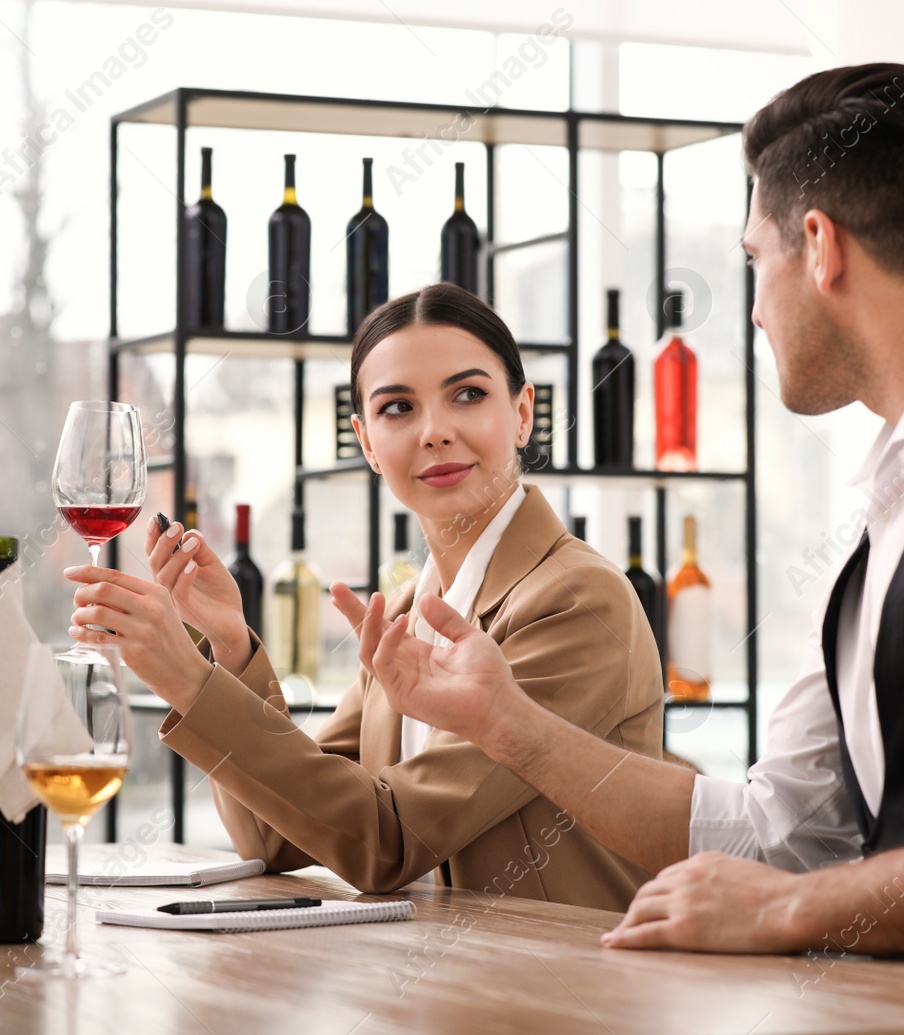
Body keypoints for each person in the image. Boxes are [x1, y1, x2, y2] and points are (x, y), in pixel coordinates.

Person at [341, 63, 904, 1023]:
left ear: (820, 247)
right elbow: (779, 827)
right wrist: (507, 724)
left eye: (755, 260)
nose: (752, 307)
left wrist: (789, 910)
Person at [62, 282, 662, 912]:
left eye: (468, 394)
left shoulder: (578, 603)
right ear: (368, 443)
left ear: (521, 413)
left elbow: (387, 843)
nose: (434, 432)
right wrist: (228, 647)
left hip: (563, 997)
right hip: (435, 989)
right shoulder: (406, 613)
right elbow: (277, 834)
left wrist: (186, 679)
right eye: (398, 408)